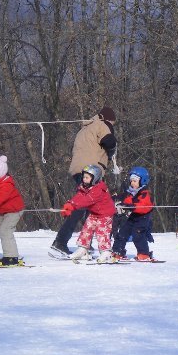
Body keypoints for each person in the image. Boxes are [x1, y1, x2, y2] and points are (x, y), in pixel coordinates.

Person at [51, 106, 117, 257]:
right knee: (82, 206)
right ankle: (60, 242)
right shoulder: (103, 125)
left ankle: (85, 245)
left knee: (90, 206)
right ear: (109, 119)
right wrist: (112, 150)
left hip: (77, 169)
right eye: (113, 123)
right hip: (91, 170)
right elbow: (109, 141)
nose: (112, 126)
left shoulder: (84, 128)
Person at [59, 164, 116, 262]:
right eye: (83, 177)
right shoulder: (85, 187)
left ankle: (106, 252)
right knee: (86, 229)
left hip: (105, 214)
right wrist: (69, 204)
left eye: (87, 177)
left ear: (95, 178)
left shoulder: (98, 189)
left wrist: (73, 206)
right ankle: (83, 249)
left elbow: (86, 200)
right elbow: (79, 197)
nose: (84, 179)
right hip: (94, 213)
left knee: (102, 233)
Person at [111, 166, 155, 261]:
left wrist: (132, 206)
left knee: (138, 235)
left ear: (142, 181)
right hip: (133, 216)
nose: (132, 183)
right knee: (122, 233)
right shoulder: (131, 192)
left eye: (134, 181)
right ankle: (117, 251)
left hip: (143, 218)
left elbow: (144, 206)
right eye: (131, 181)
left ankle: (143, 253)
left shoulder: (145, 193)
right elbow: (127, 199)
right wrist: (120, 201)